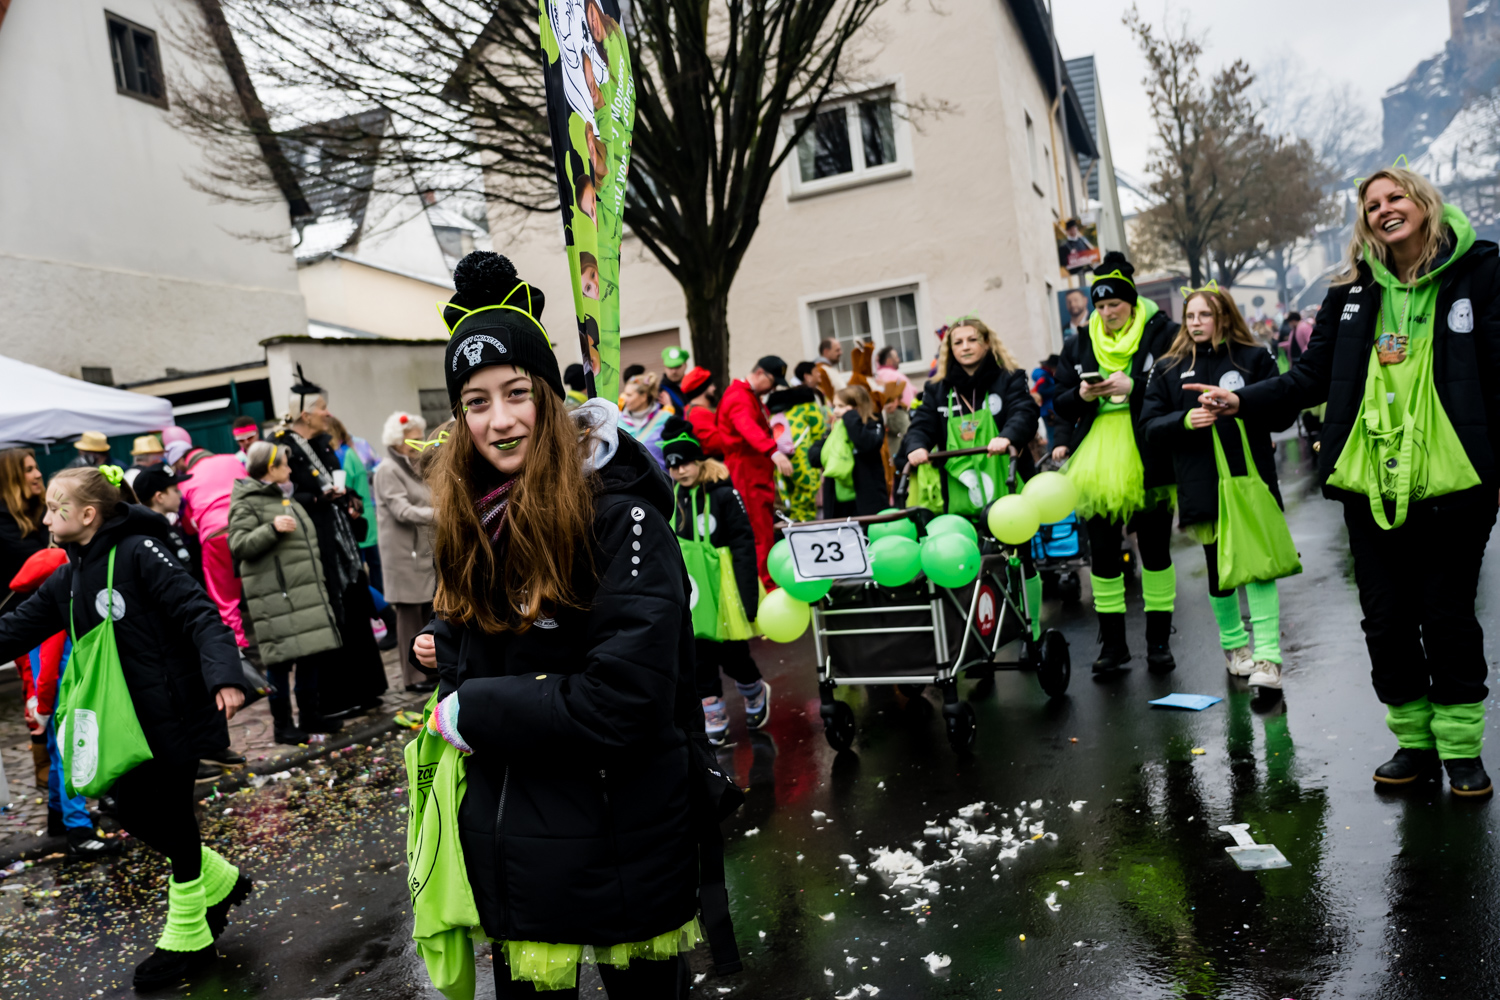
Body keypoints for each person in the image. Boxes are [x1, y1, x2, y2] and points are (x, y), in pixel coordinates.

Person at [411, 250, 712, 997]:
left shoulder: (621, 517)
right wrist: (447, 649)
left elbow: (624, 701)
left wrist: (474, 707)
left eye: (516, 392)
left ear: (549, 396)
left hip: (621, 843)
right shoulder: (473, 518)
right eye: (475, 402)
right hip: (514, 850)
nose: (499, 420)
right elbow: (477, 645)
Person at [1189, 167, 1500, 796]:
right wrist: (1241, 402)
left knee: (1445, 617)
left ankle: (1462, 748)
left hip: (1457, 483)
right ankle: (1414, 741)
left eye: (1395, 197)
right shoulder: (1352, 293)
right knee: (1385, 619)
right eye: (1372, 204)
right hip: (1370, 483)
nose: (1385, 209)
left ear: (1422, 201)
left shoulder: (1483, 272)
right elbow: (1307, 379)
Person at [0, 466, 253, 990]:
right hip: (122, 725)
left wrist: (224, 677)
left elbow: (199, 612)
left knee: (172, 814)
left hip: (174, 713)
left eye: (56, 507)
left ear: (88, 515)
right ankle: (219, 883)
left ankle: (189, 933)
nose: (45, 516)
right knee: (128, 807)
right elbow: (15, 628)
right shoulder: (67, 579)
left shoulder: (140, 552)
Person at [1141, 287, 1291, 697]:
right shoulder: (1169, 367)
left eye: (1204, 314)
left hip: (1250, 478)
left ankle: (1268, 658)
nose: (1194, 322)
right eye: (1190, 315)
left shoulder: (1254, 357)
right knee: (1219, 566)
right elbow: (1150, 426)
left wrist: (1242, 403)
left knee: (1258, 565)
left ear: (1224, 316)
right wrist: (1185, 421)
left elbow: (1283, 412)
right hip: (1200, 482)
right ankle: (1234, 648)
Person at [1052, 251, 1182, 675]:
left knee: (1155, 549)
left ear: (1131, 301)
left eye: (1115, 305)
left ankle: (1159, 641)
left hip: (1148, 448)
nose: (1107, 313)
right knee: (1104, 556)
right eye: (1101, 306)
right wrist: (1083, 397)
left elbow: (1178, 383)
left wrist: (1136, 385)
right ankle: (1113, 646)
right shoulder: (1078, 341)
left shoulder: (1163, 332)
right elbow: (1059, 399)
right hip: (1096, 456)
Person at [270, 391, 388, 719]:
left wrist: (348, 498)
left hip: (341, 542)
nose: (327, 413)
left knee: (354, 611)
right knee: (333, 619)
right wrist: (320, 498)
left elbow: (338, 482)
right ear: (305, 415)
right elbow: (285, 495)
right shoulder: (281, 446)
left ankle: (366, 690)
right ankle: (337, 698)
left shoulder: (324, 442)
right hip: (316, 546)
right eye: (322, 408)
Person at [661, 417, 769, 746]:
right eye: (673, 466)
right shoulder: (671, 497)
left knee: (732, 653)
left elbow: (742, 542)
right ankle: (713, 711)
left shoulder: (723, 495)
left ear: (699, 461)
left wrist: (749, 595)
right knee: (698, 656)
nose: (680, 471)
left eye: (686, 464)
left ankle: (753, 687)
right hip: (692, 594)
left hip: (723, 589)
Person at [230, 442, 343, 744]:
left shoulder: (282, 496)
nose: (290, 469)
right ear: (270, 468)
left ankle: (310, 715)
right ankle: (282, 725)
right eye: (284, 464)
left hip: (299, 594)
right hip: (276, 598)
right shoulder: (249, 500)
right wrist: (271, 528)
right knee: (279, 662)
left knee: (309, 655)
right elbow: (238, 544)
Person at [903, 317, 1040, 516]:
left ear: (987, 344)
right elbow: (922, 424)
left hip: (1008, 481)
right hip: (958, 490)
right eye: (958, 342)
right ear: (950, 349)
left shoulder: (1009, 378)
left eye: (972, 340)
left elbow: (1024, 411)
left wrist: (1007, 436)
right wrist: (917, 446)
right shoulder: (937, 389)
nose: (965, 347)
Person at [718, 356, 796, 586]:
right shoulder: (740, 397)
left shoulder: (746, 395)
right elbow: (748, 428)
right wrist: (774, 452)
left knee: (761, 529)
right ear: (760, 373)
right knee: (758, 532)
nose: (773, 388)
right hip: (747, 472)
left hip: (754, 471)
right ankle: (766, 585)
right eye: (772, 382)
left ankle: (766, 583)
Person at [372, 411, 436, 693]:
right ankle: (413, 677)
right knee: (409, 618)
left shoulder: (414, 464)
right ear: (398, 442)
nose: (420, 443)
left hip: (420, 552)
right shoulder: (388, 469)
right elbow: (402, 510)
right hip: (403, 556)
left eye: (421, 439)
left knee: (425, 614)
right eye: (414, 440)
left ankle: (427, 670)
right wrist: (440, 515)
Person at [175, 444, 250, 647]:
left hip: (216, 534)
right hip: (249, 527)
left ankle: (239, 648)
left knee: (224, 597)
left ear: (184, 461)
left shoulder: (187, 478)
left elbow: (189, 527)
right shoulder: (233, 460)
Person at [327, 416, 383, 593]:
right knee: (375, 567)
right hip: (365, 518)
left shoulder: (341, 457)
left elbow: (341, 488)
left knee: (360, 570)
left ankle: (377, 610)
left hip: (356, 521)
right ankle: (381, 608)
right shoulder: (350, 451)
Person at [813, 385, 888, 516]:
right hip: (838, 505)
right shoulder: (834, 431)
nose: (835, 411)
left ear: (858, 407)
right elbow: (814, 457)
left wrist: (850, 417)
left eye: (841, 406)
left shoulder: (873, 423)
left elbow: (867, 443)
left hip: (866, 502)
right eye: (834, 406)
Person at [767, 368, 827, 522]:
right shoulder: (809, 405)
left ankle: (792, 523)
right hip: (803, 457)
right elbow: (819, 432)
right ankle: (804, 526)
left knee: (791, 497)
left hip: (780, 457)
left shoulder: (778, 410)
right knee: (807, 493)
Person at [619, 371, 673, 467]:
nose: (624, 399)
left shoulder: (666, 419)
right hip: (630, 481)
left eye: (629, 395)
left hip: (660, 481)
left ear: (644, 396)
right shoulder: (617, 422)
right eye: (625, 394)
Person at [679, 366, 723, 456]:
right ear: (702, 389)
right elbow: (716, 444)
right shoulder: (698, 413)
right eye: (710, 385)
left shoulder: (692, 410)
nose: (714, 388)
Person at [1032, 354, 1062, 449]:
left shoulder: (1045, 374)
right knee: (1052, 433)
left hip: (1048, 409)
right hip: (1049, 411)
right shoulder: (1044, 376)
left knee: (1052, 432)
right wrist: (1058, 388)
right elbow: (1042, 390)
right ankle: (1052, 455)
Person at [660, 345, 691, 410]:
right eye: (670, 367)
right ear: (665, 368)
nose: (674, 371)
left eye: (677, 367)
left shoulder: (694, 386)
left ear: (685, 366)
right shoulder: (659, 392)